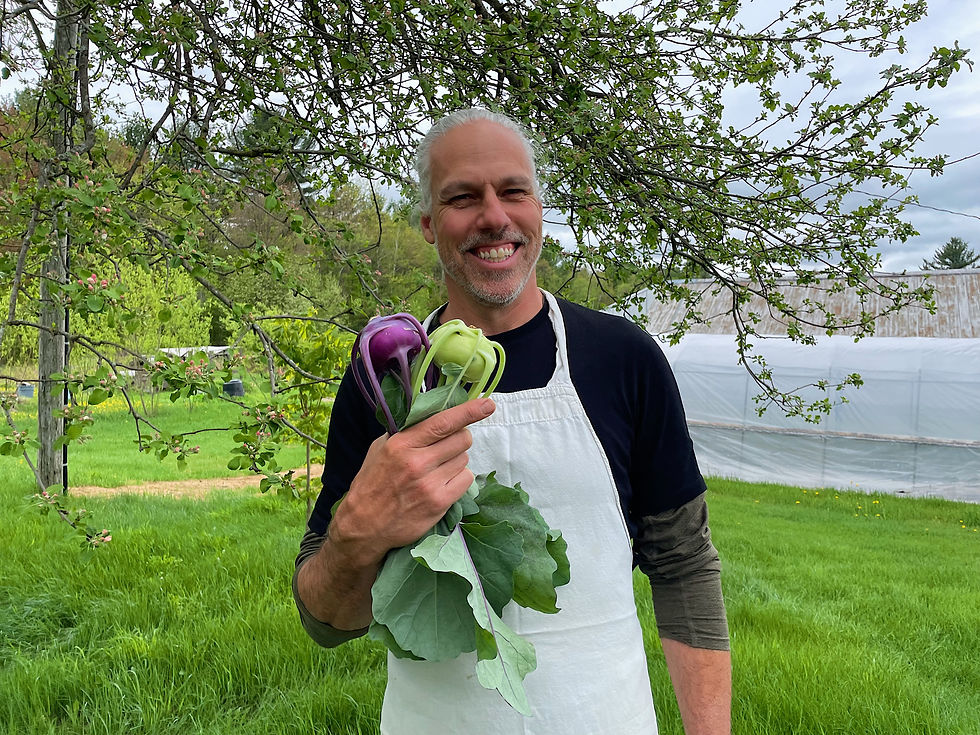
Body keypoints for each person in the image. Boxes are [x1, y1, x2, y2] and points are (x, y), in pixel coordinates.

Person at [293, 108, 731, 734]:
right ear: (427, 225)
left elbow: (684, 566)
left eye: (513, 191)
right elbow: (324, 622)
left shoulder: (621, 358)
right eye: (462, 197)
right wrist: (357, 534)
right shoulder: (391, 375)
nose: (494, 216)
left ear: (539, 210)